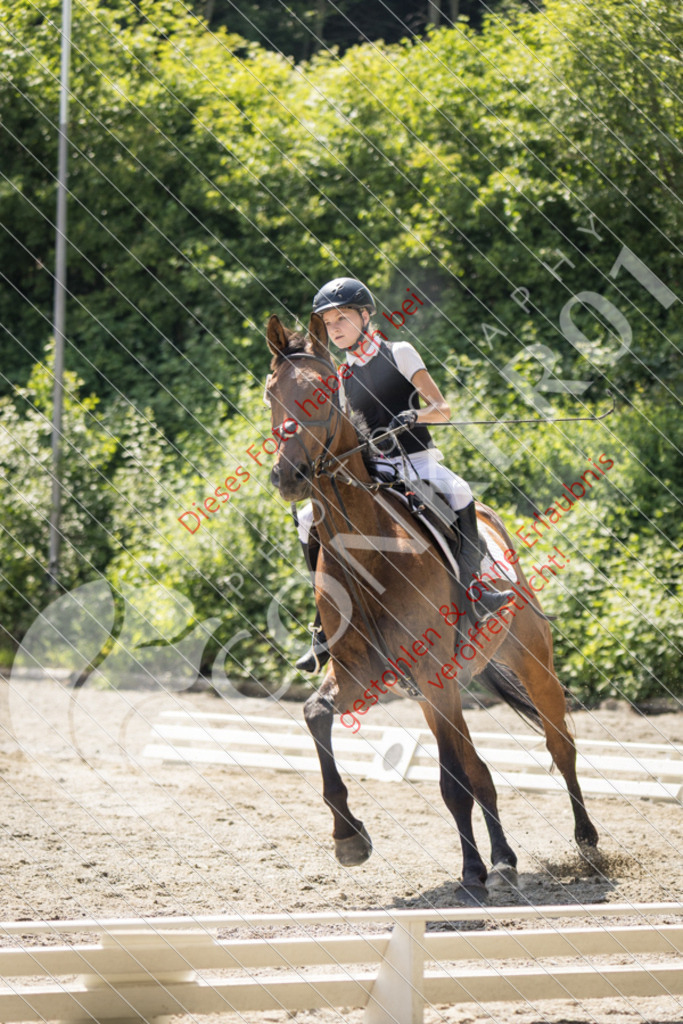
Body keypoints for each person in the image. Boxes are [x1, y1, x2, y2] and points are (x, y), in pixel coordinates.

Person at [294, 276, 514, 673]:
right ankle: (323, 624)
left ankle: (476, 588)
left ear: (365, 316)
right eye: (328, 323)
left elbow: (442, 408)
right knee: (308, 516)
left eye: (342, 318)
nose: (335, 328)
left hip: (417, 461)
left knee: (460, 492)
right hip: (373, 471)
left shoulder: (399, 352)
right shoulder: (341, 376)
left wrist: (413, 415)